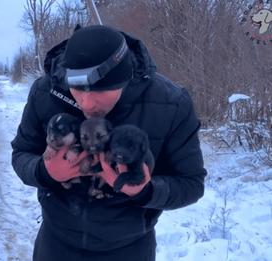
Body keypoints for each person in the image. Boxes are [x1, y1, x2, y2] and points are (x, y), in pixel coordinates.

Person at [11, 25, 207, 261]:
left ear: (124, 79)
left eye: (98, 91)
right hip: (56, 243)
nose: (85, 102)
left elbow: (191, 184)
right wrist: (45, 172)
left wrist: (145, 191)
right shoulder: (46, 92)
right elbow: (21, 153)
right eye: (77, 90)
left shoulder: (170, 104)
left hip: (129, 248)